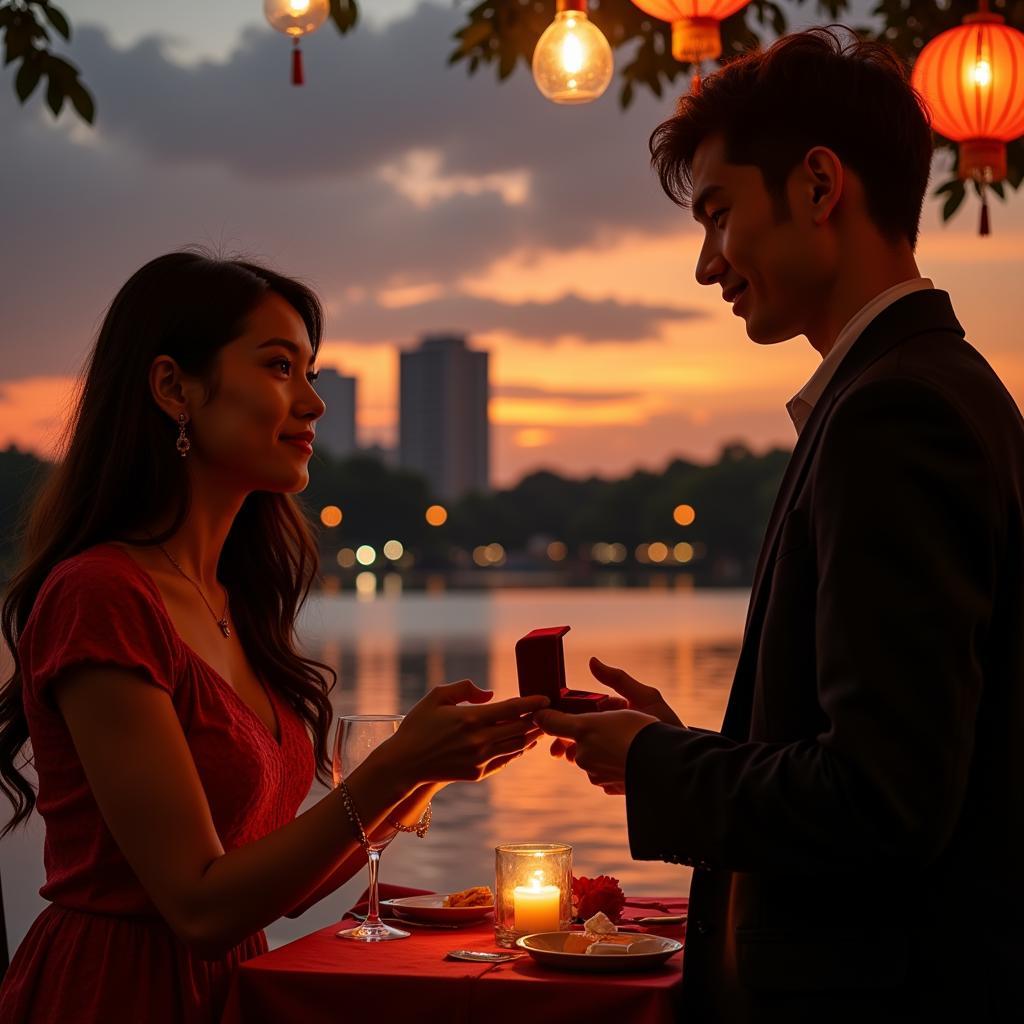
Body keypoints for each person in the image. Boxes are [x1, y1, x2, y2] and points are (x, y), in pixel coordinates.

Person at [535, 27, 1024, 1023]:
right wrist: (687, 746)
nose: (707, 265)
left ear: (816, 185)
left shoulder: (896, 416)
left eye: (717, 215)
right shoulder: (933, 389)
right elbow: (909, 751)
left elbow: (881, 803)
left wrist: (655, 764)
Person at [0, 251, 547, 1023]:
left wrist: (433, 769)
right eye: (280, 367)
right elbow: (199, 906)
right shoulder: (102, 597)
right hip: (117, 992)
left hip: (237, 990)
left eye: (312, 374)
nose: (313, 404)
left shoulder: (234, 602)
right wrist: (393, 767)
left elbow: (273, 892)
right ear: (172, 388)